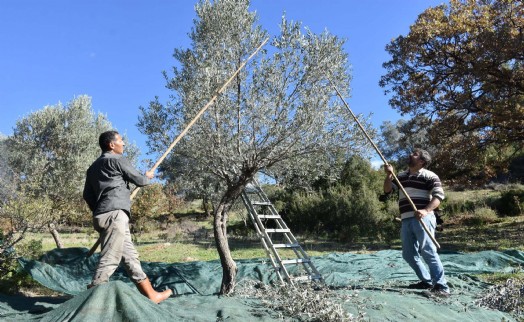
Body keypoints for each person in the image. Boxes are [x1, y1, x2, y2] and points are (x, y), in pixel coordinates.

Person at [83, 130, 172, 304]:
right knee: (110, 259)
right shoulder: (117, 159)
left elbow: (87, 195)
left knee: (130, 258)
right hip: (115, 215)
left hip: (102, 216)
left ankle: (152, 295)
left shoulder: (93, 167)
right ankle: (92, 302)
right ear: (111, 145)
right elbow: (140, 180)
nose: (123, 144)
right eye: (121, 141)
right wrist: (147, 177)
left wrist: (101, 209)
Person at [383, 149, 450, 297]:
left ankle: (442, 287)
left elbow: (439, 196)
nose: (410, 155)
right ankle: (426, 281)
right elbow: (387, 190)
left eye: (414, 154)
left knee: (428, 251)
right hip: (406, 219)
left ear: (421, 161)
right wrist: (388, 175)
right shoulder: (400, 176)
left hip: (423, 218)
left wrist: (425, 210)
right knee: (408, 254)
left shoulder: (430, 176)